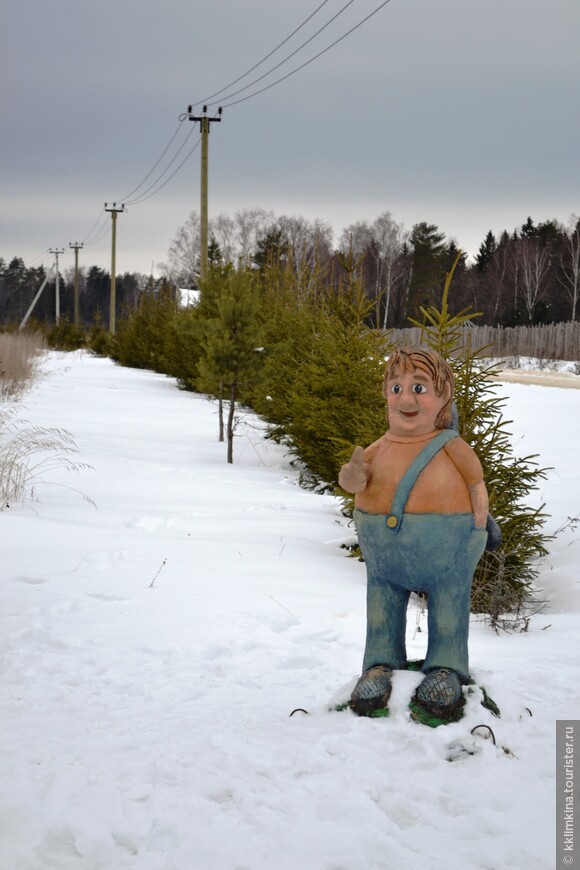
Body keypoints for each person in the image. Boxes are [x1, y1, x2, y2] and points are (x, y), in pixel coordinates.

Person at [339, 347, 490, 719]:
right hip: (385, 558)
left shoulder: (451, 447)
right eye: (396, 388)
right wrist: (352, 477)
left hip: (449, 552)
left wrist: (477, 531)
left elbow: (475, 484)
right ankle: (379, 664)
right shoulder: (379, 448)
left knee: (449, 607)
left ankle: (446, 668)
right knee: (381, 608)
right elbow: (352, 478)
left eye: (419, 388)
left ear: (442, 398)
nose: (405, 399)